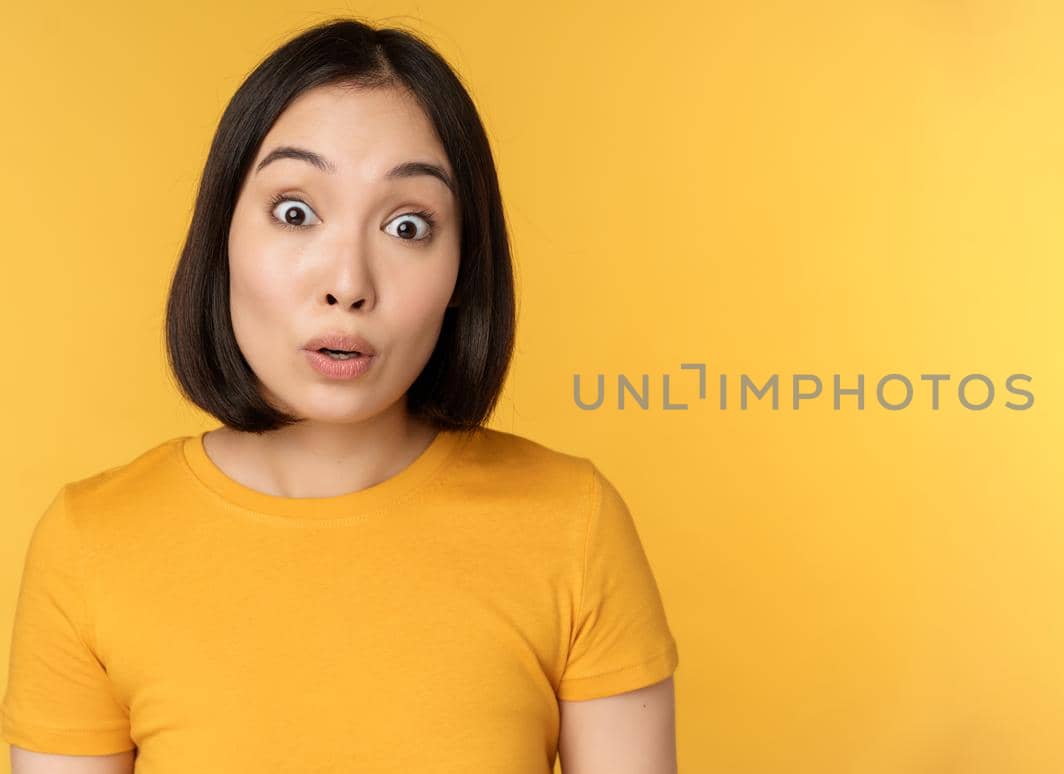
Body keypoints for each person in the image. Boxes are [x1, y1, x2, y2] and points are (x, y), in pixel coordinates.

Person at [1, 18, 679, 774]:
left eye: (408, 224)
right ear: (220, 235)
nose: (348, 284)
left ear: (463, 274)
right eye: (296, 212)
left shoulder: (572, 528)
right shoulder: (91, 545)